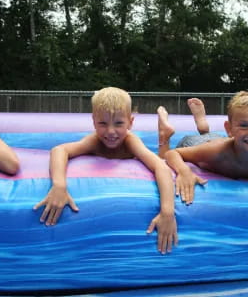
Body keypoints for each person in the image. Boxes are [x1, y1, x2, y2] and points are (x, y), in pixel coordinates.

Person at [34, 87, 177, 254]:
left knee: (164, 158)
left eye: (119, 123)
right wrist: (59, 185)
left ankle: (163, 135)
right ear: (94, 121)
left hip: (148, 156)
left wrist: (167, 212)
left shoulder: (130, 141)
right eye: (103, 123)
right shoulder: (94, 141)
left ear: (130, 123)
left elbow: (161, 167)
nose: (110, 132)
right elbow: (59, 150)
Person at [157, 92, 248, 207]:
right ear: (229, 129)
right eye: (244, 125)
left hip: (223, 140)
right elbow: (173, 154)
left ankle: (203, 126)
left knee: (211, 136)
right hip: (197, 143)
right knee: (162, 159)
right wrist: (184, 171)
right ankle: (165, 134)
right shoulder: (216, 152)